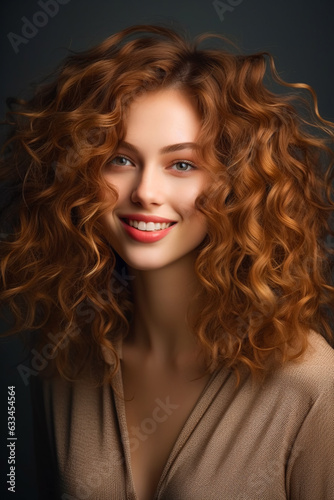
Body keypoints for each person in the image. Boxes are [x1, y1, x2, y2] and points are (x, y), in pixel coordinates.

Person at [1, 24, 334, 500]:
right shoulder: (61, 355)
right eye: (119, 159)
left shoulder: (312, 387)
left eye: (182, 164)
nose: (145, 193)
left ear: (237, 184)